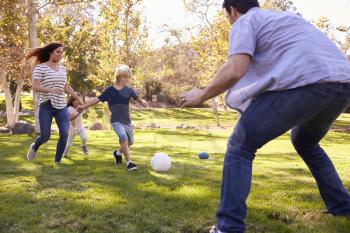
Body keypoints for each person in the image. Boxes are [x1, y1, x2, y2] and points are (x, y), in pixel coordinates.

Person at [181, 1, 350, 232]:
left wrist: (201, 95)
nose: (229, 21)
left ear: (232, 10)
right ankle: (341, 206)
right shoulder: (287, 20)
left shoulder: (245, 21)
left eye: (227, 16)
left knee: (240, 145)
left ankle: (228, 227)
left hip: (308, 85)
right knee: (304, 142)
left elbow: (236, 68)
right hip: (342, 87)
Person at [79, 64, 148, 171]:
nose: (127, 79)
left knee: (129, 143)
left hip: (127, 121)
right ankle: (129, 163)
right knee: (123, 138)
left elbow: (139, 99)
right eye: (125, 77)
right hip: (116, 121)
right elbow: (97, 99)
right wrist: (84, 106)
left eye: (128, 77)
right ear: (119, 77)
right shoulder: (110, 91)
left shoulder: (129, 90)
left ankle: (118, 153)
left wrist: (143, 103)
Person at [26, 42, 83, 164]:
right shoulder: (40, 67)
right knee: (45, 136)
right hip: (46, 105)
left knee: (64, 133)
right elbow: (35, 87)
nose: (60, 55)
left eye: (62, 53)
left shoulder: (62, 68)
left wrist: (77, 98)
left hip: (61, 106)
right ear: (50, 52)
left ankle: (58, 161)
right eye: (58, 52)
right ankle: (34, 147)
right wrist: (51, 90)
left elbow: (66, 86)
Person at [63, 93, 89, 158]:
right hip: (71, 129)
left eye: (79, 99)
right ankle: (65, 154)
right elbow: (71, 119)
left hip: (80, 127)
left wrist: (84, 106)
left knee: (84, 137)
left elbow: (85, 110)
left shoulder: (80, 107)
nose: (79, 101)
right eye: (77, 100)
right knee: (69, 144)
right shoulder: (69, 109)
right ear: (72, 101)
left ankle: (83, 146)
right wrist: (79, 112)